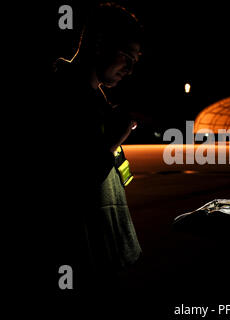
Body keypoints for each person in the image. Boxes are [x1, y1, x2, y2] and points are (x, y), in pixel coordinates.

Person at [48, 2, 144, 294]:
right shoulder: (61, 93)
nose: (129, 69)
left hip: (102, 254)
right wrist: (114, 138)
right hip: (79, 256)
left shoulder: (96, 99)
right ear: (100, 43)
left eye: (135, 61)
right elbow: (71, 179)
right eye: (127, 57)